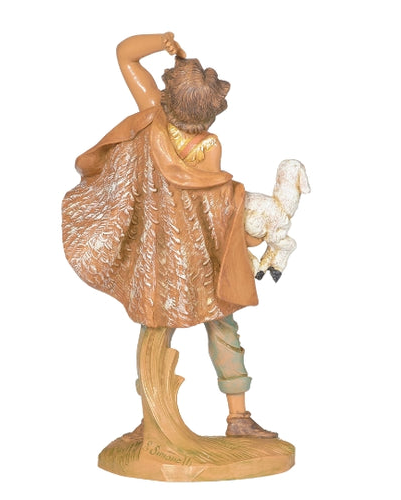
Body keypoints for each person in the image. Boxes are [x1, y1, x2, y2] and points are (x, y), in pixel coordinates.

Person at [62, 33, 277, 438]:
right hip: (202, 259)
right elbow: (217, 205)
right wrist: (246, 229)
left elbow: (125, 56)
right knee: (222, 329)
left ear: (166, 98)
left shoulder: (151, 117)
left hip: (161, 257)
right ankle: (236, 417)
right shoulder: (208, 146)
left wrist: (162, 42)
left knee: (155, 336)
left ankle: (152, 418)